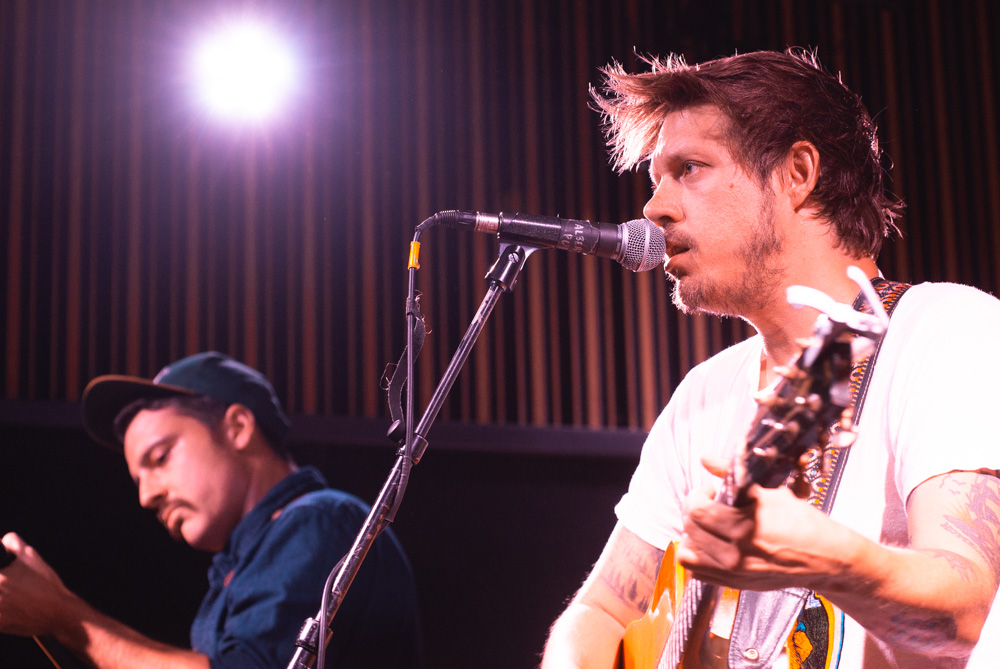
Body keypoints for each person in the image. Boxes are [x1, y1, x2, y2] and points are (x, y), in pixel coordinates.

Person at [541, 48, 1000, 668]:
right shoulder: (703, 396)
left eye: (690, 168)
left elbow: (967, 616)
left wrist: (830, 560)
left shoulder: (947, 333)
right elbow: (598, 611)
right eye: (656, 181)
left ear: (797, 172)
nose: (653, 209)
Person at [0, 351, 422, 669]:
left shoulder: (318, 522)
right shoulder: (241, 565)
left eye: (160, 457)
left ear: (238, 427)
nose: (146, 496)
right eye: (137, 479)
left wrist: (65, 618)